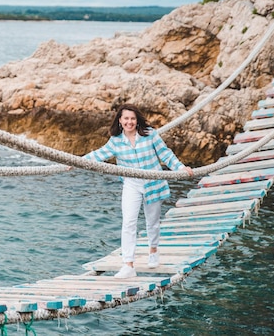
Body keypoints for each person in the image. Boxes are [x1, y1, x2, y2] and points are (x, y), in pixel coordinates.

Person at [82, 103, 193, 279]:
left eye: (132, 118)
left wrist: (180, 168)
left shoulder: (149, 134)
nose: (129, 122)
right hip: (131, 184)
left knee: (152, 223)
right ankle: (128, 265)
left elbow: (165, 154)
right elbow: (98, 155)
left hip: (153, 182)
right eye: (126, 118)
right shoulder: (116, 141)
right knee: (128, 223)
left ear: (137, 120)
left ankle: (153, 250)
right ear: (120, 120)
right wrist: (74, 162)